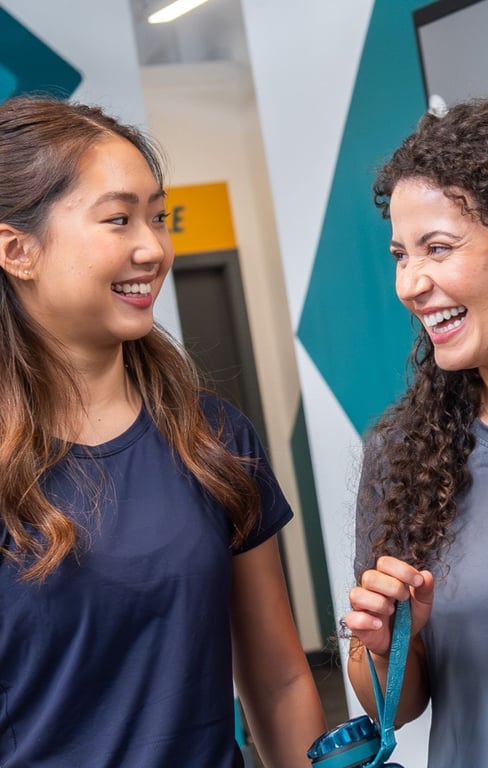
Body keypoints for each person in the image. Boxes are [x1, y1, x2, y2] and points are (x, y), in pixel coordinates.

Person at [0, 94, 326, 767]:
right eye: (118, 219)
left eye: (158, 217)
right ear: (17, 250)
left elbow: (278, 680)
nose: (153, 248)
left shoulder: (213, 439)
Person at [344, 97, 488, 767]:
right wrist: (382, 642)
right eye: (400, 255)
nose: (410, 283)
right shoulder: (405, 456)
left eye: (437, 248)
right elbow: (397, 703)